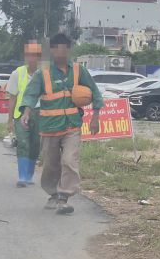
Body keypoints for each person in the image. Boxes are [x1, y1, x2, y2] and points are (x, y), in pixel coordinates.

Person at [19, 33, 103, 215]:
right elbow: (31, 94)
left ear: (69, 49)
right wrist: (26, 112)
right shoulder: (44, 73)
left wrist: (95, 117)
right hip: (49, 127)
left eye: (65, 48)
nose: (61, 52)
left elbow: (95, 93)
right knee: (51, 164)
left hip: (72, 126)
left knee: (69, 161)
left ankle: (64, 197)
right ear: (53, 50)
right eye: (57, 48)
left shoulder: (79, 71)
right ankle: (53, 193)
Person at [7, 42, 43, 187]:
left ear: (39, 57)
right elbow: (13, 97)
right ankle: (22, 176)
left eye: (34, 55)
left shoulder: (45, 73)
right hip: (21, 114)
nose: (31, 58)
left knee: (35, 145)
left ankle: (29, 175)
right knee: (23, 143)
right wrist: (9, 120)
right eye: (28, 55)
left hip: (41, 113)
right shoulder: (17, 73)